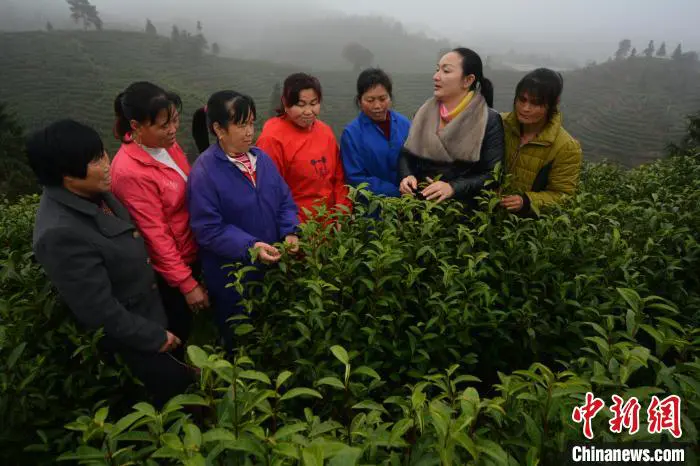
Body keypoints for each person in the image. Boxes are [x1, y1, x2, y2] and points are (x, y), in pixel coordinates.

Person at [29, 119, 194, 408]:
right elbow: (98, 309)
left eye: (103, 152)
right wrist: (153, 337)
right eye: (95, 160)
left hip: (155, 308)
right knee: (171, 402)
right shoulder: (59, 233)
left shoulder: (93, 192)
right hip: (136, 339)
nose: (107, 163)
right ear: (67, 175)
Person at [188, 91, 300, 351]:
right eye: (241, 124)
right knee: (240, 341)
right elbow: (209, 230)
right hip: (233, 277)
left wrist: (290, 231)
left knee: (273, 333)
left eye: (251, 122)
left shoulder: (261, 159)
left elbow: (284, 199)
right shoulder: (204, 173)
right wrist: (252, 246)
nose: (250, 131)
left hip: (271, 267)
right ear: (219, 129)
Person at [110, 82, 209, 349]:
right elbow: (155, 236)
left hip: (191, 250)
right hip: (169, 270)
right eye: (164, 125)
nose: (173, 129)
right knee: (177, 330)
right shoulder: (130, 172)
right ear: (136, 126)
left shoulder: (167, 146)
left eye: (174, 120)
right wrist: (186, 284)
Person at [398, 47, 505, 205]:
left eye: (446, 71)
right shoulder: (424, 113)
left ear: (467, 80)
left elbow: (492, 174)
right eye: (437, 70)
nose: (436, 77)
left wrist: (452, 188)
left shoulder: (488, 119)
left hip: (462, 213)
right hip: (420, 205)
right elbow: (406, 153)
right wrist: (407, 176)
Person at [256, 72, 352, 223]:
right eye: (300, 105)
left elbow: (339, 178)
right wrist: (290, 229)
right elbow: (270, 193)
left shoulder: (325, 131)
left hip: (331, 226)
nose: (308, 112)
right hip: (298, 229)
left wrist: (342, 213)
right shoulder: (272, 139)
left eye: (314, 104)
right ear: (285, 103)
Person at [499, 68, 583, 215]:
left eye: (536, 103)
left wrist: (526, 201)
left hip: (524, 226)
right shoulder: (499, 123)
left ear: (552, 104)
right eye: (522, 100)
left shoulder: (566, 147)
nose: (525, 108)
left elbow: (563, 195)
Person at [340, 68, 411, 198]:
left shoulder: (404, 124)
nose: (377, 106)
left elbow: (414, 159)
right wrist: (396, 192)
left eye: (382, 99)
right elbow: (355, 177)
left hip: (409, 204)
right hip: (372, 207)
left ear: (390, 97)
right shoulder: (352, 134)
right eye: (370, 100)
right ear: (360, 100)